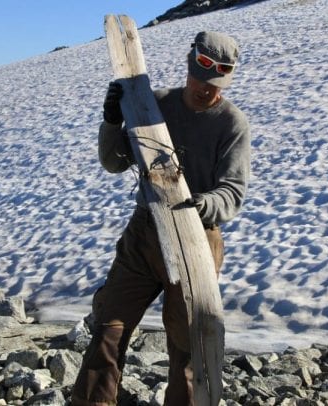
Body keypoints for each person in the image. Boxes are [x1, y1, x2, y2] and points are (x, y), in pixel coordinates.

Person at [71, 31, 251, 406]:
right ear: (190, 66)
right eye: (202, 77)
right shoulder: (154, 105)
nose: (207, 89)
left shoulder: (231, 124)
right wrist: (111, 122)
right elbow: (115, 162)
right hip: (145, 233)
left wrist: (200, 205)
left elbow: (231, 194)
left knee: (187, 350)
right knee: (109, 328)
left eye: (217, 82)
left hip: (197, 241)